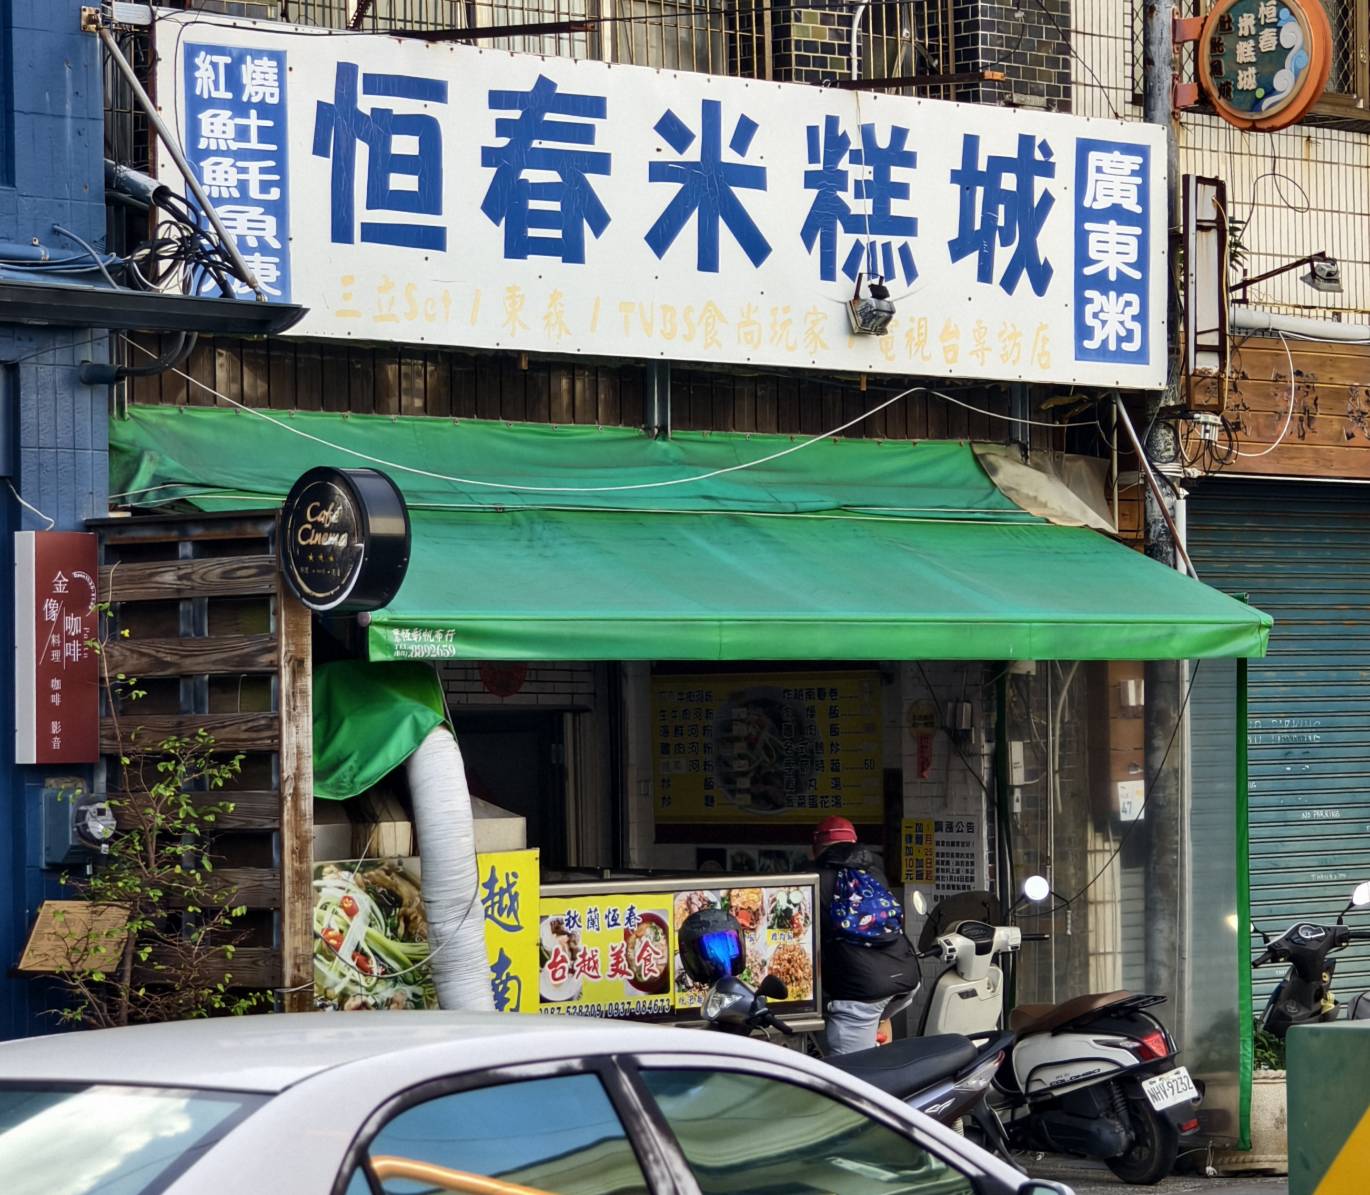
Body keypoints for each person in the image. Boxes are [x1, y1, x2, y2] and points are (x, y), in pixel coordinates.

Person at [812, 815, 920, 1054]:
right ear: (854, 842)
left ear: (816, 848)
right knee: (878, 1020)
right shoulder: (874, 872)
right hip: (906, 977)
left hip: (862, 992)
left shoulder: (811, 879)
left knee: (852, 1077)